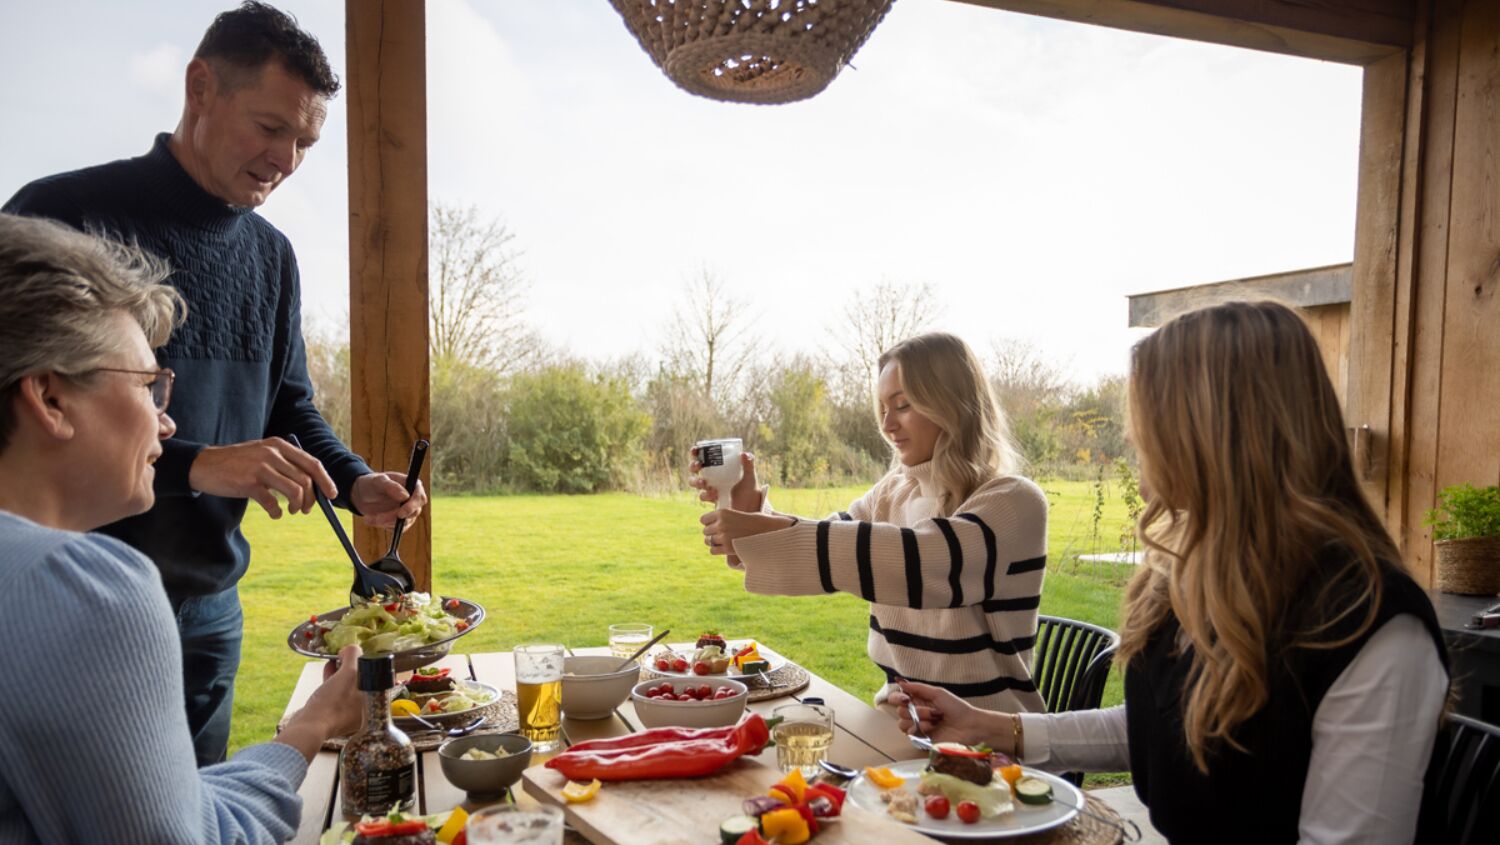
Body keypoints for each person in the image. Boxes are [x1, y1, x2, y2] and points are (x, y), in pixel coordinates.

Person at [2, 2, 426, 766]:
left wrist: (355, 481)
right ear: (201, 88)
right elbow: (16, 408)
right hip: (75, 596)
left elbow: (288, 404)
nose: (287, 158)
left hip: (210, 607)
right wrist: (201, 461)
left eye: (305, 141)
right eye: (271, 129)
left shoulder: (272, 256)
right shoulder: (62, 213)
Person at [891, 302, 1451, 844]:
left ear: (1216, 436)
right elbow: (1161, 725)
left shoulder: (1372, 626)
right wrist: (987, 727)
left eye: (1147, 427)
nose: (1135, 446)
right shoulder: (1199, 574)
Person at [0, 213, 364, 843]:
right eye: (149, 386)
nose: (167, 424)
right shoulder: (84, 591)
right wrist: (313, 727)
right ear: (49, 399)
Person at [696, 333, 1049, 714]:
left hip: (991, 742)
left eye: (903, 405)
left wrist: (758, 531)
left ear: (954, 405)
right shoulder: (890, 493)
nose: (887, 424)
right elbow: (822, 550)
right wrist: (747, 511)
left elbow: (925, 563)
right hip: (899, 724)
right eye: (882, 407)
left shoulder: (1014, 501)